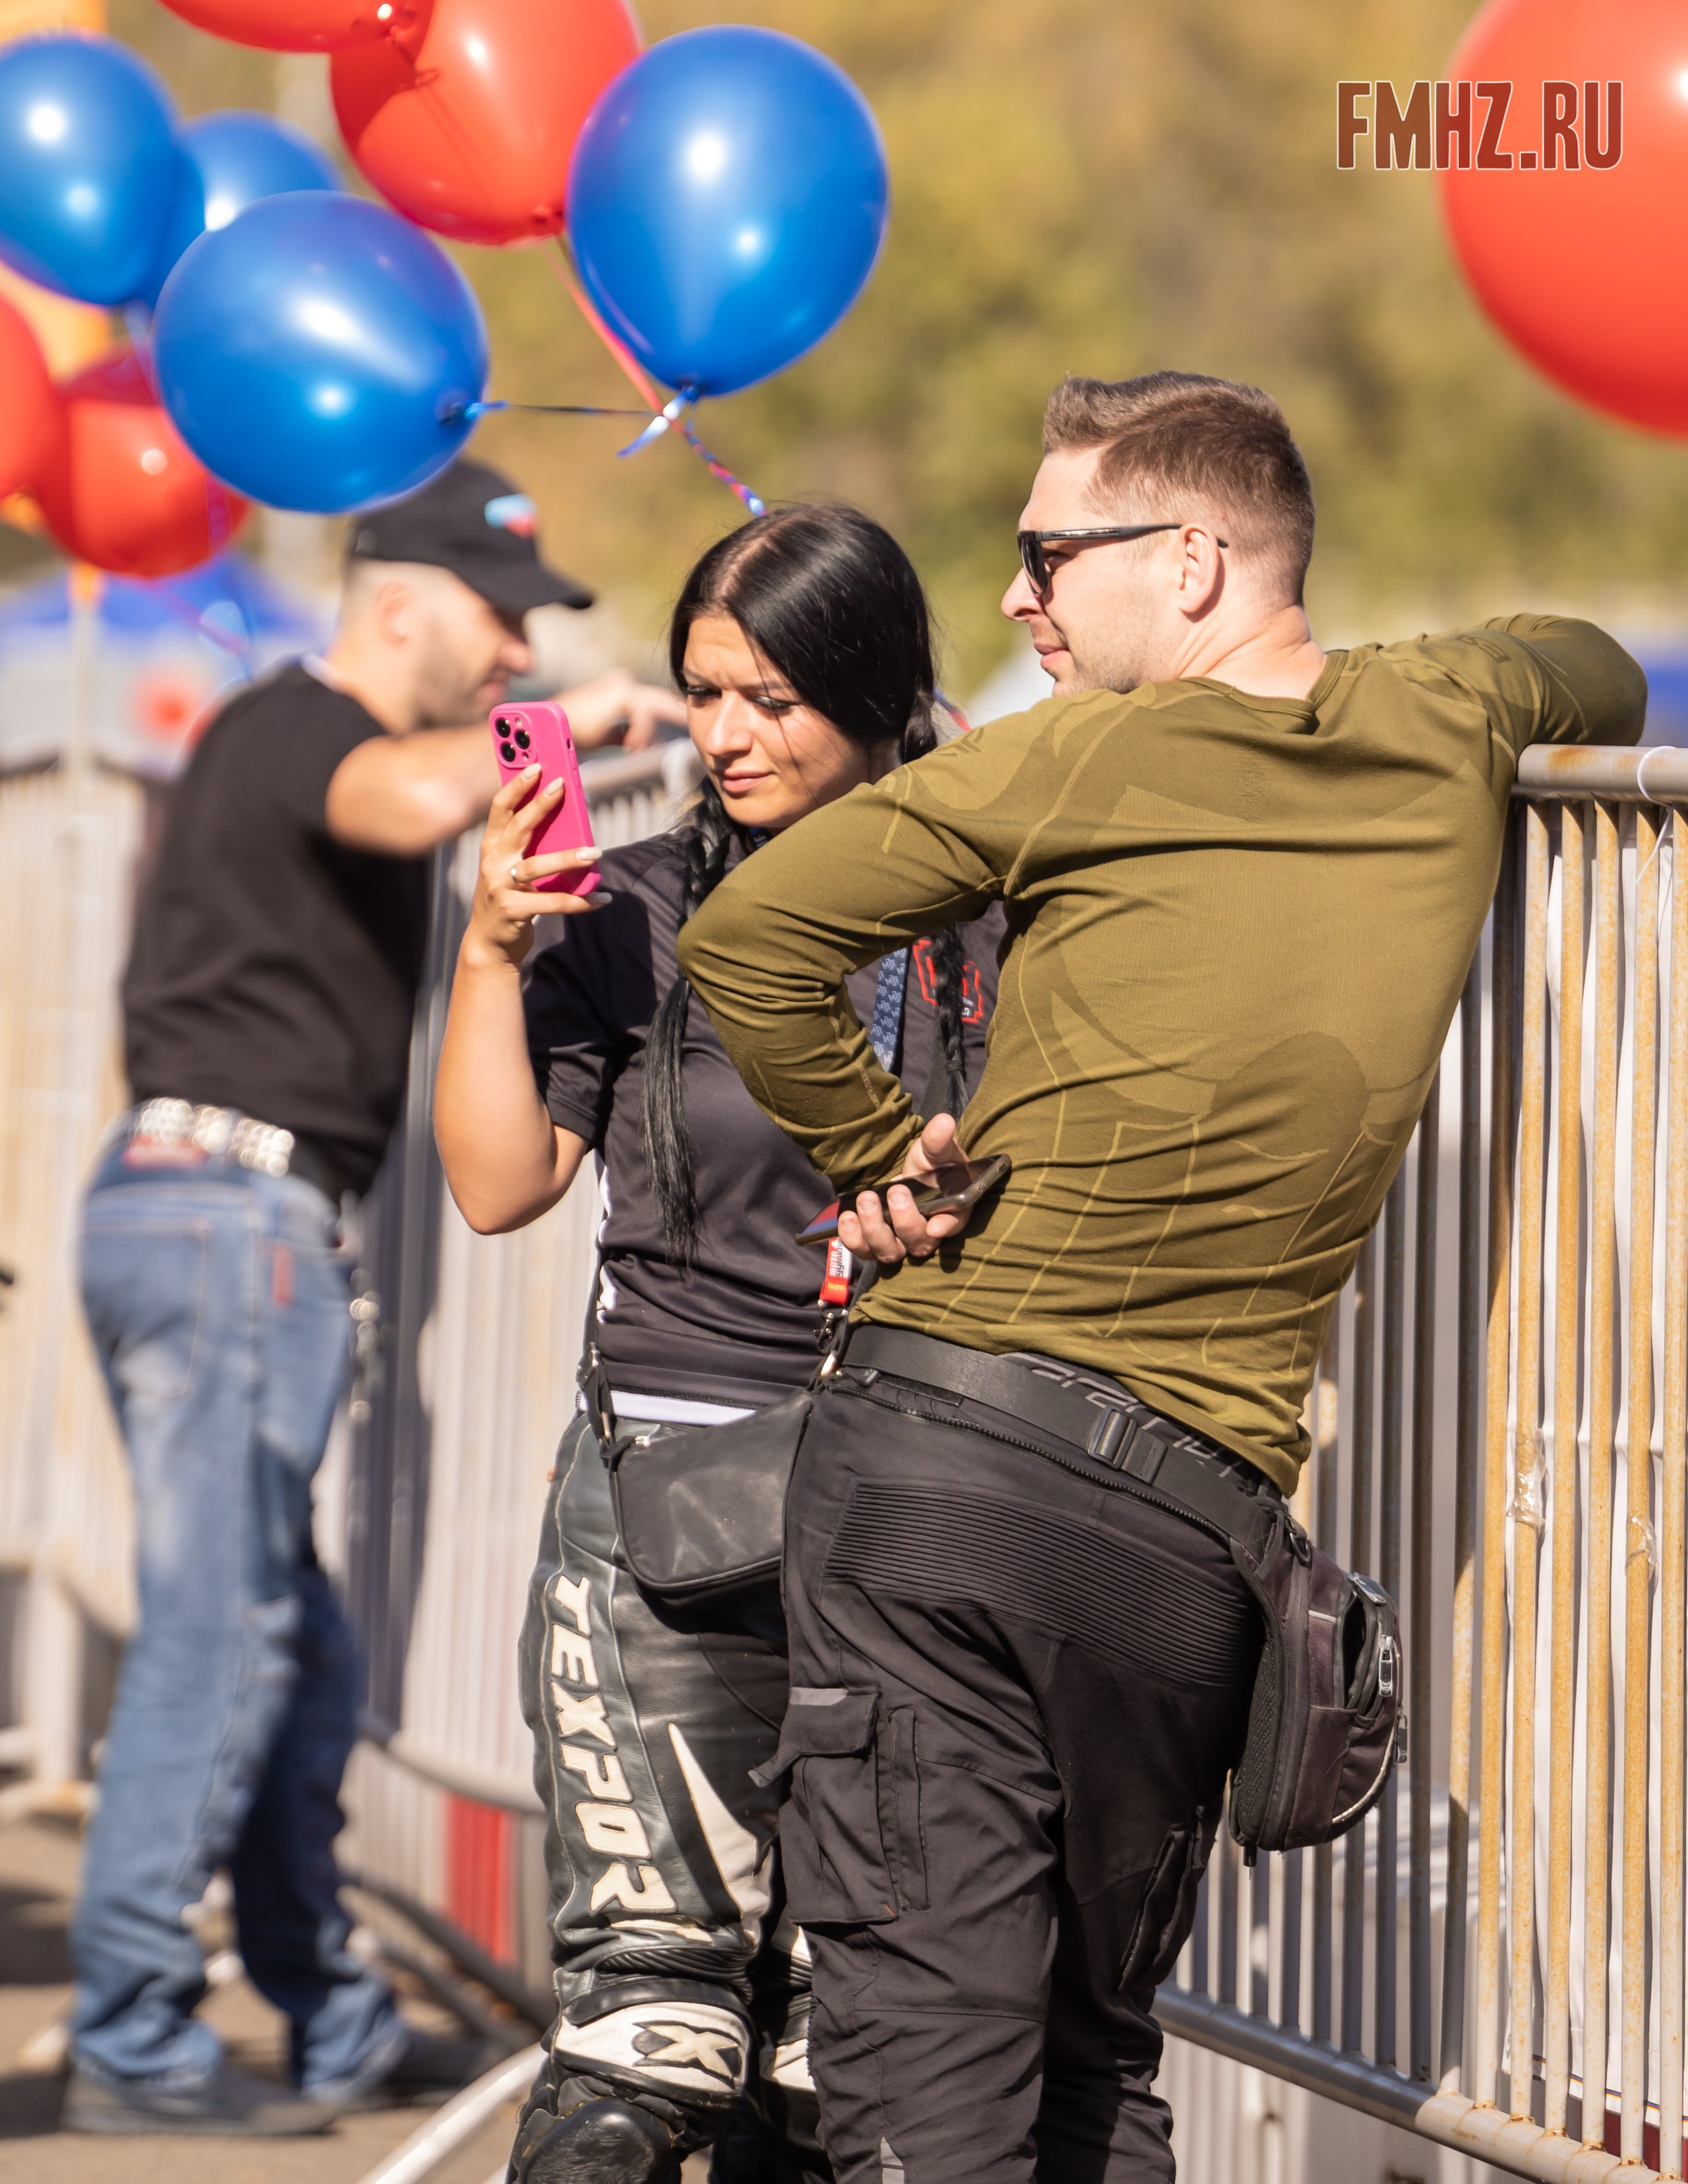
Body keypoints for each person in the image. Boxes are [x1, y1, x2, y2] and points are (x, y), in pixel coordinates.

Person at [674, 372, 1650, 2183]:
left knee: (923, 2096)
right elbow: (1587, 657)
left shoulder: (1079, 755)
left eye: (1050, 554)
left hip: (948, 1477)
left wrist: (886, 1146)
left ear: (1195, 559)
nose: (1016, 600)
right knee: (1093, 2080)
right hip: (1191, 1539)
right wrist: (1439, 675)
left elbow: (747, 935)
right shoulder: (1441, 720)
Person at [68, 456, 684, 2138]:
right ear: (398, 601)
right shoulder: (296, 730)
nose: (514, 658)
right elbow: (416, 803)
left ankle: (326, 2009)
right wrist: (590, 728)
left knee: (298, 1648)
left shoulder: (297, 734)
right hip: (226, 1219)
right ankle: (126, 2025)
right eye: (499, 627)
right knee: (228, 1634)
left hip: (218, 1216)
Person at [433, 504, 1002, 2184]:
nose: (730, 735)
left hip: (914, 1505)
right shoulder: (632, 907)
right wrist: (492, 945)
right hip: (663, 1500)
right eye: (705, 693)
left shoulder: (992, 912)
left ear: (887, 694)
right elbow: (493, 1184)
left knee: (857, 2057)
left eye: (775, 696)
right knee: (641, 2035)